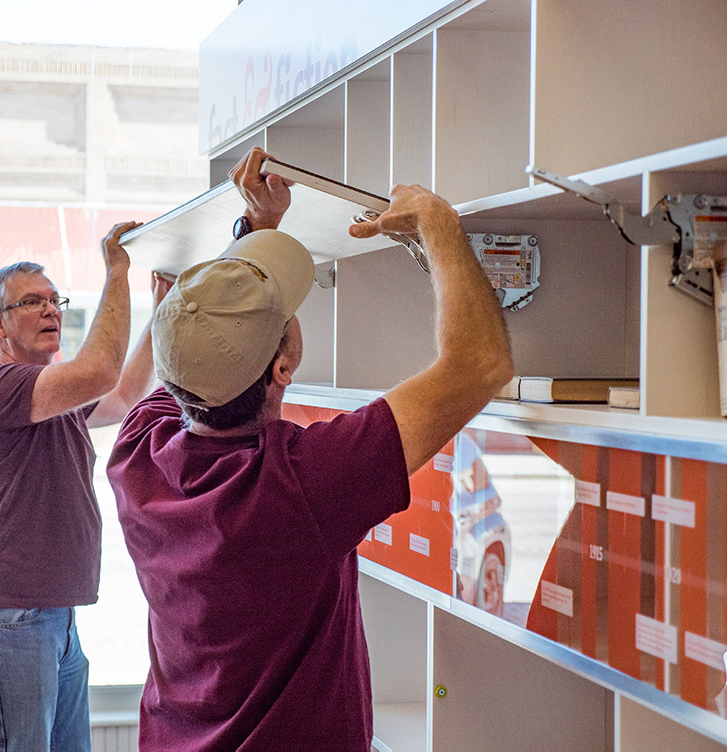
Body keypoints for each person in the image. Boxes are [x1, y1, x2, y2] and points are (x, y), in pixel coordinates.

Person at [106, 146, 514, 750]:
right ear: (283, 367)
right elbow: (480, 363)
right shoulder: (302, 483)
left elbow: (199, 344)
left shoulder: (138, 448)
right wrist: (437, 223)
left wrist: (254, 230)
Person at [0, 220, 167, 752]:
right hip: (6, 619)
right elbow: (101, 372)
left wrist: (161, 308)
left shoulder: (55, 399)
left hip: (52, 618)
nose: (50, 310)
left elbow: (123, 394)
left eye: (53, 300)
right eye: (31, 302)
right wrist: (117, 271)